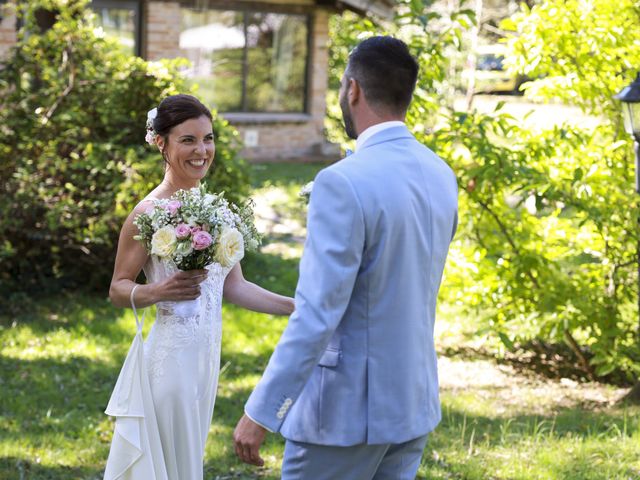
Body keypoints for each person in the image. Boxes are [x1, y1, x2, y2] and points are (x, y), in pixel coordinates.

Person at [233, 36, 458, 479]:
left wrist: (261, 411)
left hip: (343, 416)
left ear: (352, 90)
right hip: (412, 404)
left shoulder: (342, 182)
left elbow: (318, 312)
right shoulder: (441, 173)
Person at [105, 94, 295, 480]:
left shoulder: (219, 211)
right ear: (162, 143)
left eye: (207, 139)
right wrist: (158, 292)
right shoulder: (148, 212)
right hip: (169, 362)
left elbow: (236, 287)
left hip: (206, 359)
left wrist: (298, 307)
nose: (201, 150)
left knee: (187, 458)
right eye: (188, 140)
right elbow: (118, 289)